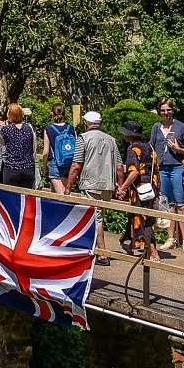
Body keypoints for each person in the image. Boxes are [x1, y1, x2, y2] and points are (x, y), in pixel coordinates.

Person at [67, 110, 119, 260]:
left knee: (96, 219)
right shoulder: (111, 140)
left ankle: (102, 254)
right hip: (108, 184)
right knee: (99, 217)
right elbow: (120, 166)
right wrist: (120, 186)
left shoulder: (84, 138)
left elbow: (76, 165)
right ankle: (95, 249)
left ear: (87, 123)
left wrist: (68, 186)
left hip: (91, 184)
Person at [151, 99, 184, 251]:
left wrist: (179, 149)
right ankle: (171, 238)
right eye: (163, 110)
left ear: (172, 110)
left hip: (177, 167)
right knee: (169, 204)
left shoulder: (181, 127)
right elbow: (152, 148)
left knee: (182, 204)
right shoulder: (156, 127)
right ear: (159, 112)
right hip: (162, 168)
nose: (166, 113)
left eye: (168, 109)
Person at [116, 120, 159, 259]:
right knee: (143, 217)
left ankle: (152, 252)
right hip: (152, 185)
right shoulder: (150, 147)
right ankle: (129, 243)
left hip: (140, 188)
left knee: (141, 218)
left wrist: (123, 187)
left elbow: (134, 172)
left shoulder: (132, 148)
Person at [0, 104, 37, 189]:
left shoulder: (6, 129)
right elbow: (34, 146)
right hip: (28, 167)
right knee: (25, 196)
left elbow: (2, 146)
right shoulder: (29, 127)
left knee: (10, 195)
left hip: (11, 168)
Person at [44, 105, 77, 195]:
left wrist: (45, 167)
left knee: (62, 196)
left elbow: (46, 152)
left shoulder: (49, 129)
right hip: (69, 163)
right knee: (62, 193)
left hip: (55, 164)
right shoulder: (71, 128)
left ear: (52, 114)